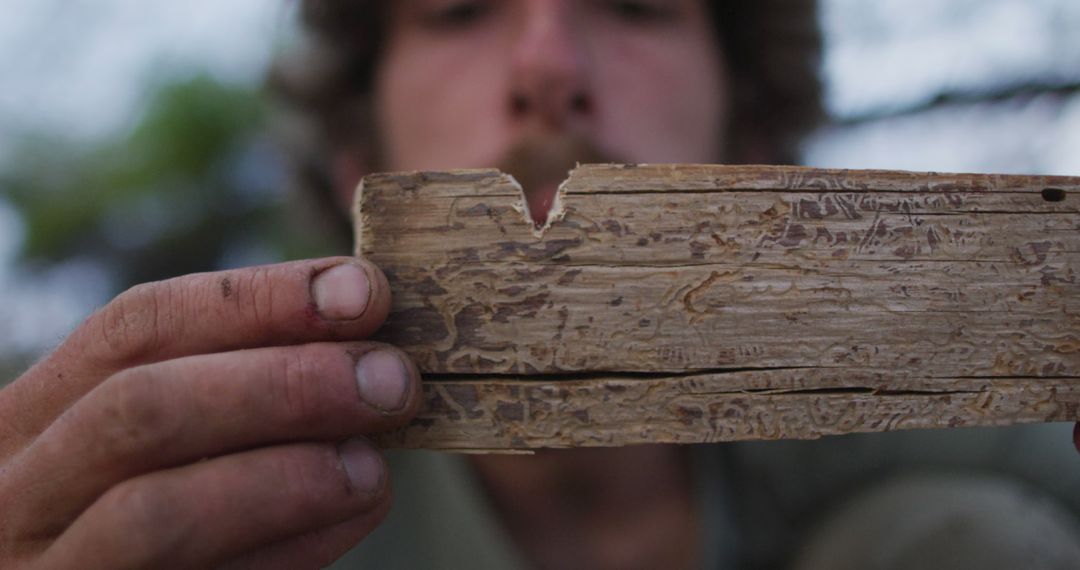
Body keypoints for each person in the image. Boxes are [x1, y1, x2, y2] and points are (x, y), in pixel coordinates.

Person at [1, 1, 1079, 568]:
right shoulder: (224, 504)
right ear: (352, 164)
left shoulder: (914, 403)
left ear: (750, 139)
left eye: (639, 4)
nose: (549, 65)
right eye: (460, 9)